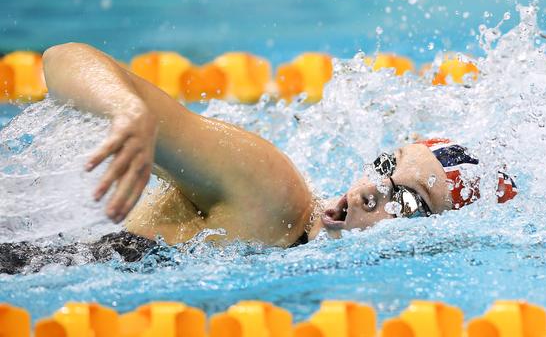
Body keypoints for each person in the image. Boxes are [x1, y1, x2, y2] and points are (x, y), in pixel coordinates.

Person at [7, 43, 518, 263]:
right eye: (386, 167)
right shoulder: (273, 193)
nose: (367, 190)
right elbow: (62, 59)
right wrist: (127, 109)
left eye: (405, 202)